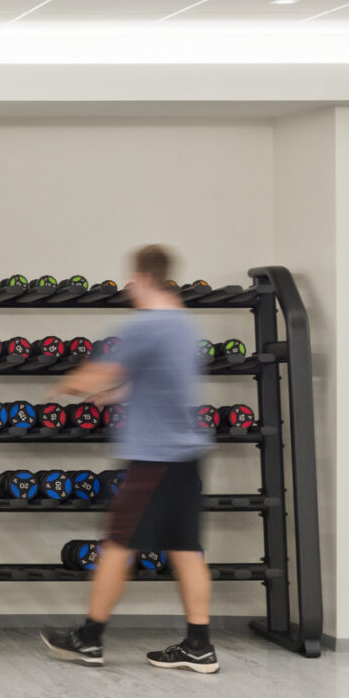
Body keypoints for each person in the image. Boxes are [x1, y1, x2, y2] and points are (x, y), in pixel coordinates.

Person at [40, 244, 217, 673]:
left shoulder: (147, 325)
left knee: (117, 546)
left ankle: (89, 639)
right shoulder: (184, 326)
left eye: (131, 282)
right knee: (185, 548)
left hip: (152, 459)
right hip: (187, 453)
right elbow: (159, 379)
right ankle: (199, 645)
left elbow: (102, 370)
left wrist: (65, 387)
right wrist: (116, 396)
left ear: (142, 280)